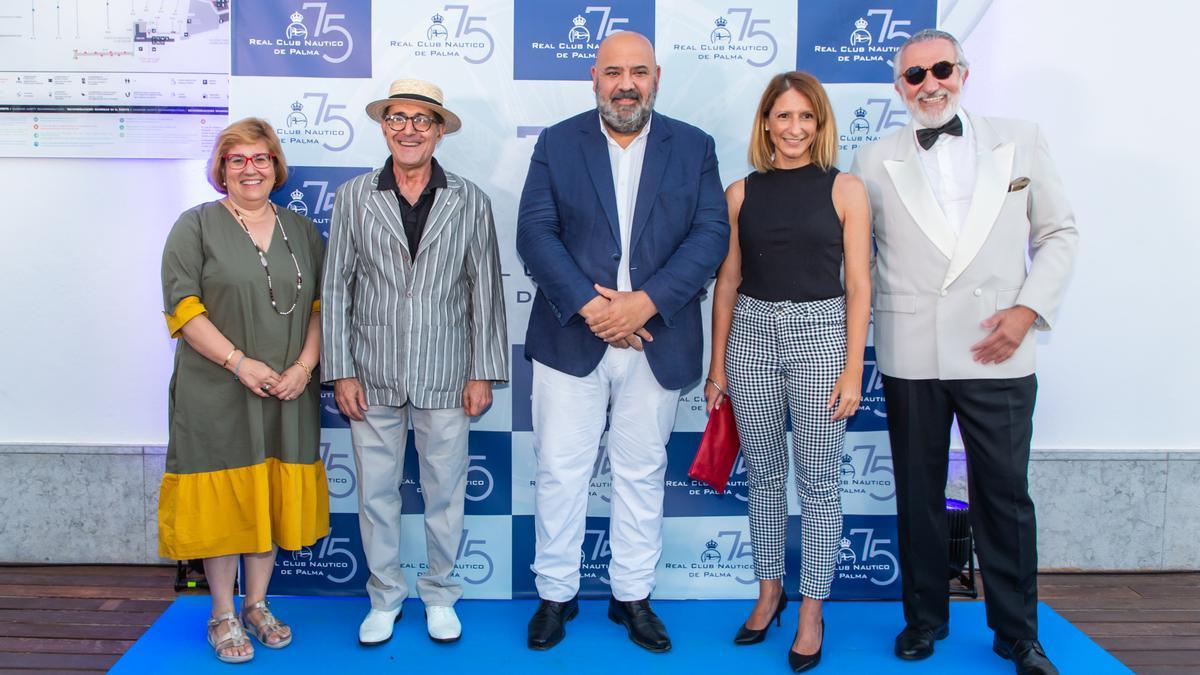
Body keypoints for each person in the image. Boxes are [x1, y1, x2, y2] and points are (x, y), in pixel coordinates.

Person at [851, 29, 1078, 675]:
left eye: (941, 69)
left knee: (1005, 495)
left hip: (998, 348)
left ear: (964, 72)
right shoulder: (872, 159)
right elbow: (854, 257)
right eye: (915, 76)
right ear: (899, 89)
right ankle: (924, 619)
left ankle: (1018, 634)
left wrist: (1029, 309)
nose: (930, 85)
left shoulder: (1021, 137)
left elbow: (1059, 231)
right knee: (918, 494)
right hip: (911, 351)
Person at [516, 31, 729, 653]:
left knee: (642, 472)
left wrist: (645, 303)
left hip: (656, 341)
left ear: (656, 77)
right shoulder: (558, 142)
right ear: (594, 78)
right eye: (614, 72)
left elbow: (710, 235)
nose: (626, 83)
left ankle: (632, 596)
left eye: (638, 71)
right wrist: (591, 307)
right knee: (560, 471)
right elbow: (535, 232)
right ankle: (556, 595)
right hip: (570, 337)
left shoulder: (693, 146)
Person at [321, 79, 508, 647]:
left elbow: (485, 291)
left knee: (445, 494)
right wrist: (342, 369)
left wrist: (483, 370)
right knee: (376, 494)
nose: (408, 129)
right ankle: (384, 597)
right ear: (383, 127)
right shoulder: (354, 196)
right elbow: (336, 289)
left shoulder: (470, 199)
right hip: (370, 374)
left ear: (439, 130)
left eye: (421, 120)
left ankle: (440, 593)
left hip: (448, 372)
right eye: (397, 118)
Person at [705, 71, 870, 672]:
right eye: (783, 116)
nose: (794, 127)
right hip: (751, 332)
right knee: (766, 477)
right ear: (766, 123)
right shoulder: (740, 192)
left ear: (820, 123)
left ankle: (810, 609)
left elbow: (858, 285)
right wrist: (718, 365)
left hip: (823, 336)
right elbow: (726, 282)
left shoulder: (847, 189)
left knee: (820, 482)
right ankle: (769, 591)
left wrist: (853, 369)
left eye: (806, 116)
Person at [158, 118, 328, 664]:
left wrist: (305, 366)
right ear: (222, 169)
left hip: (287, 388)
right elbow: (183, 309)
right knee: (225, 500)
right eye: (238, 160)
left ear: (276, 166)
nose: (250, 169)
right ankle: (222, 614)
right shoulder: (195, 226)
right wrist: (239, 362)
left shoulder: (302, 230)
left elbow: (324, 309)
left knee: (268, 496)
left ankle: (256, 605)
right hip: (218, 386)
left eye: (260, 158)